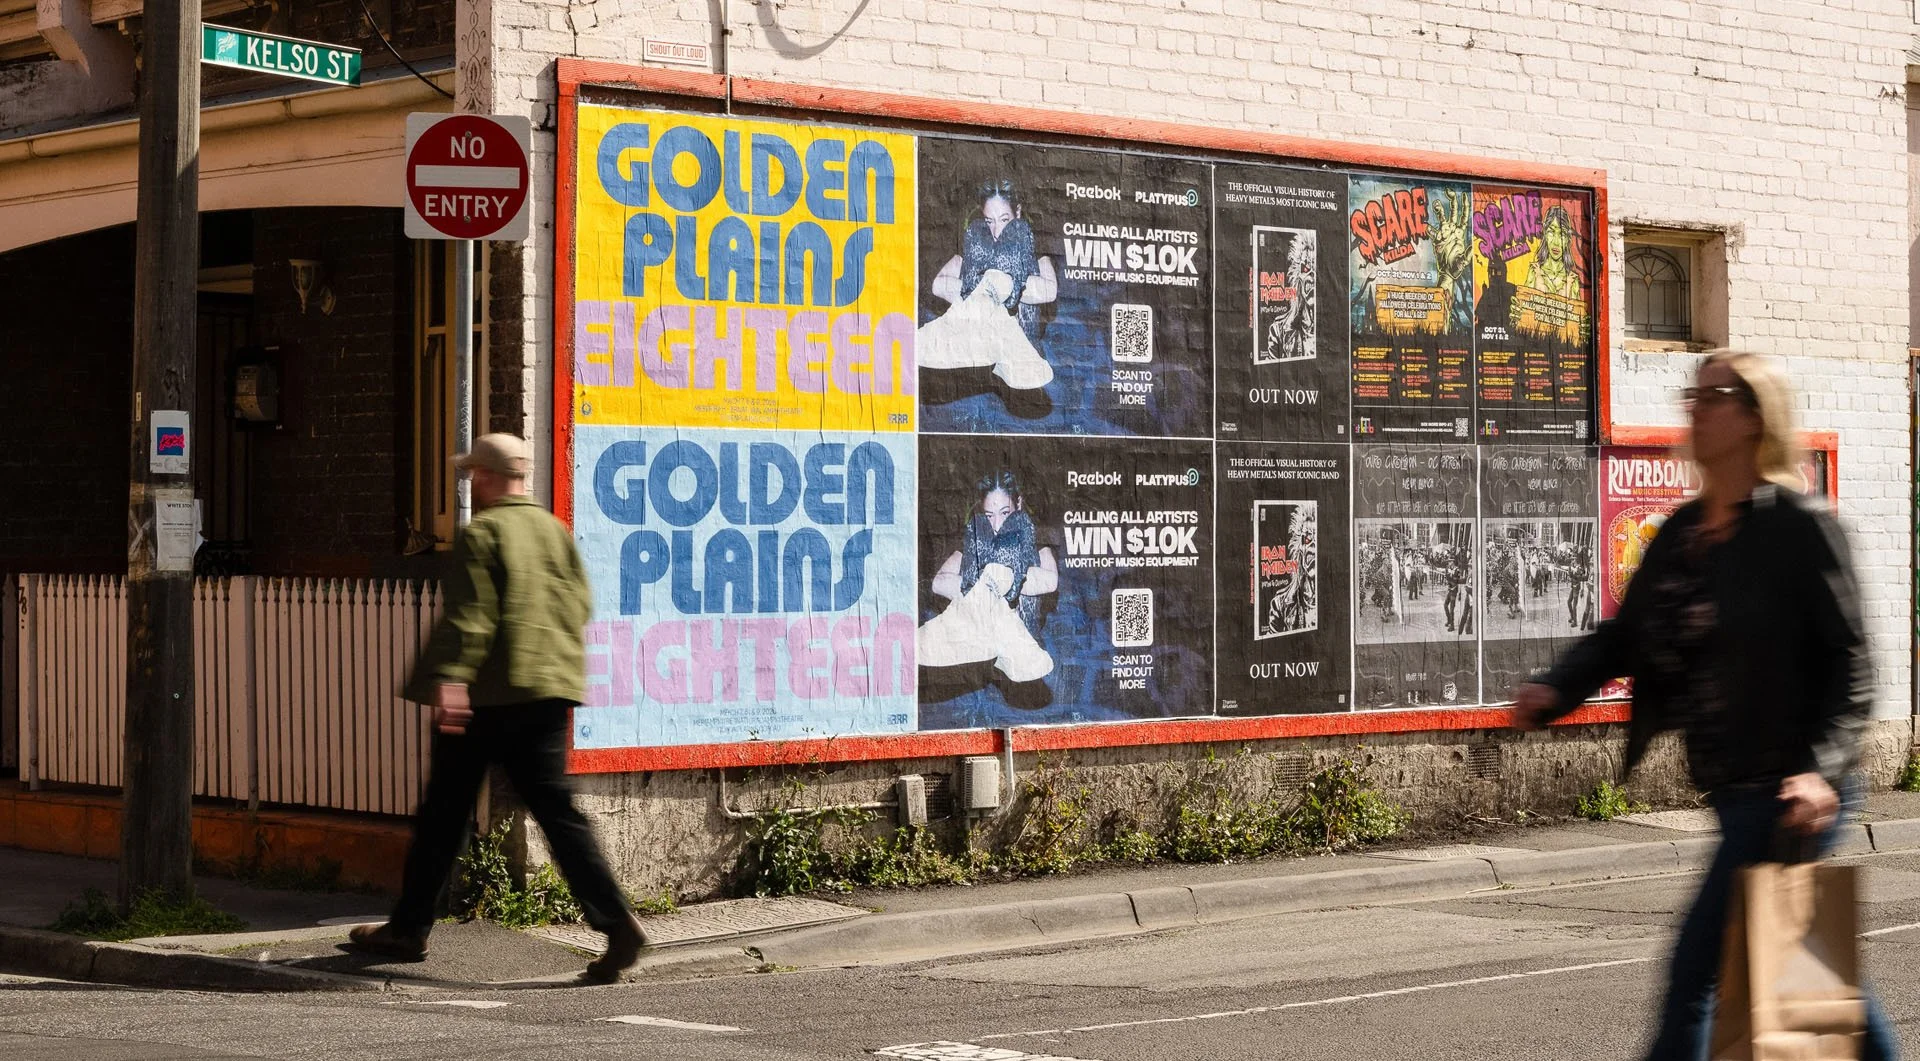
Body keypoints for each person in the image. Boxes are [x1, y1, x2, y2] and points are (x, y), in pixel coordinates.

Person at [1510, 352, 1897, 1061]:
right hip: (1735, 792)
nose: (1695, 405)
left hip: (1790, 797)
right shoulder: (1684, 534)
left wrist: (1818, 771)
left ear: (1753, 418)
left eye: (1713, 395)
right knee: (1810, 986)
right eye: (1694, 392)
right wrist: (1556, 688)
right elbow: (1627, 635)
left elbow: (1855, 663)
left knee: (1695, 976)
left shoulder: (1799, 527)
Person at [349, 434, 645, 982]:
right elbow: (579, 602)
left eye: (474, 477)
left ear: (487, 477)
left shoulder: (483, 533)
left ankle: (408, 928)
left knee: (443, 813)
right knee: (559, 815)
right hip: (549, 690)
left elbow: (473, 615)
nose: (471, 486)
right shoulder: (554, 532)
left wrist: (454, 681)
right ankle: (615, 921)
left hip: (488, 698)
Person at [918, 470, 1059, 682]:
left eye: (1005, 512)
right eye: (989, 515)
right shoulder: (977, 537)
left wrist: (1006, 577)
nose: (997, 525)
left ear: (1018, 504)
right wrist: (987, 583)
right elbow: (939, 583)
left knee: (999, 575)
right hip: (980, 636)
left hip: (1024, 637)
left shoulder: (1035, 535)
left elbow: (1050, 581)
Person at [917, 180, 1059, 390]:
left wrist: (1002, 282)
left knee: (996, 284)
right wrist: (985, 286)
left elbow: (1049, 291)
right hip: (980, 347)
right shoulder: (976, 247)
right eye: (989, 221)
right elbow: (938, 285)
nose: (996, 230)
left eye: (1004, 219)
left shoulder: (1036, 253)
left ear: (1017, 213)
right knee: (987, 288)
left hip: (1021, 352)